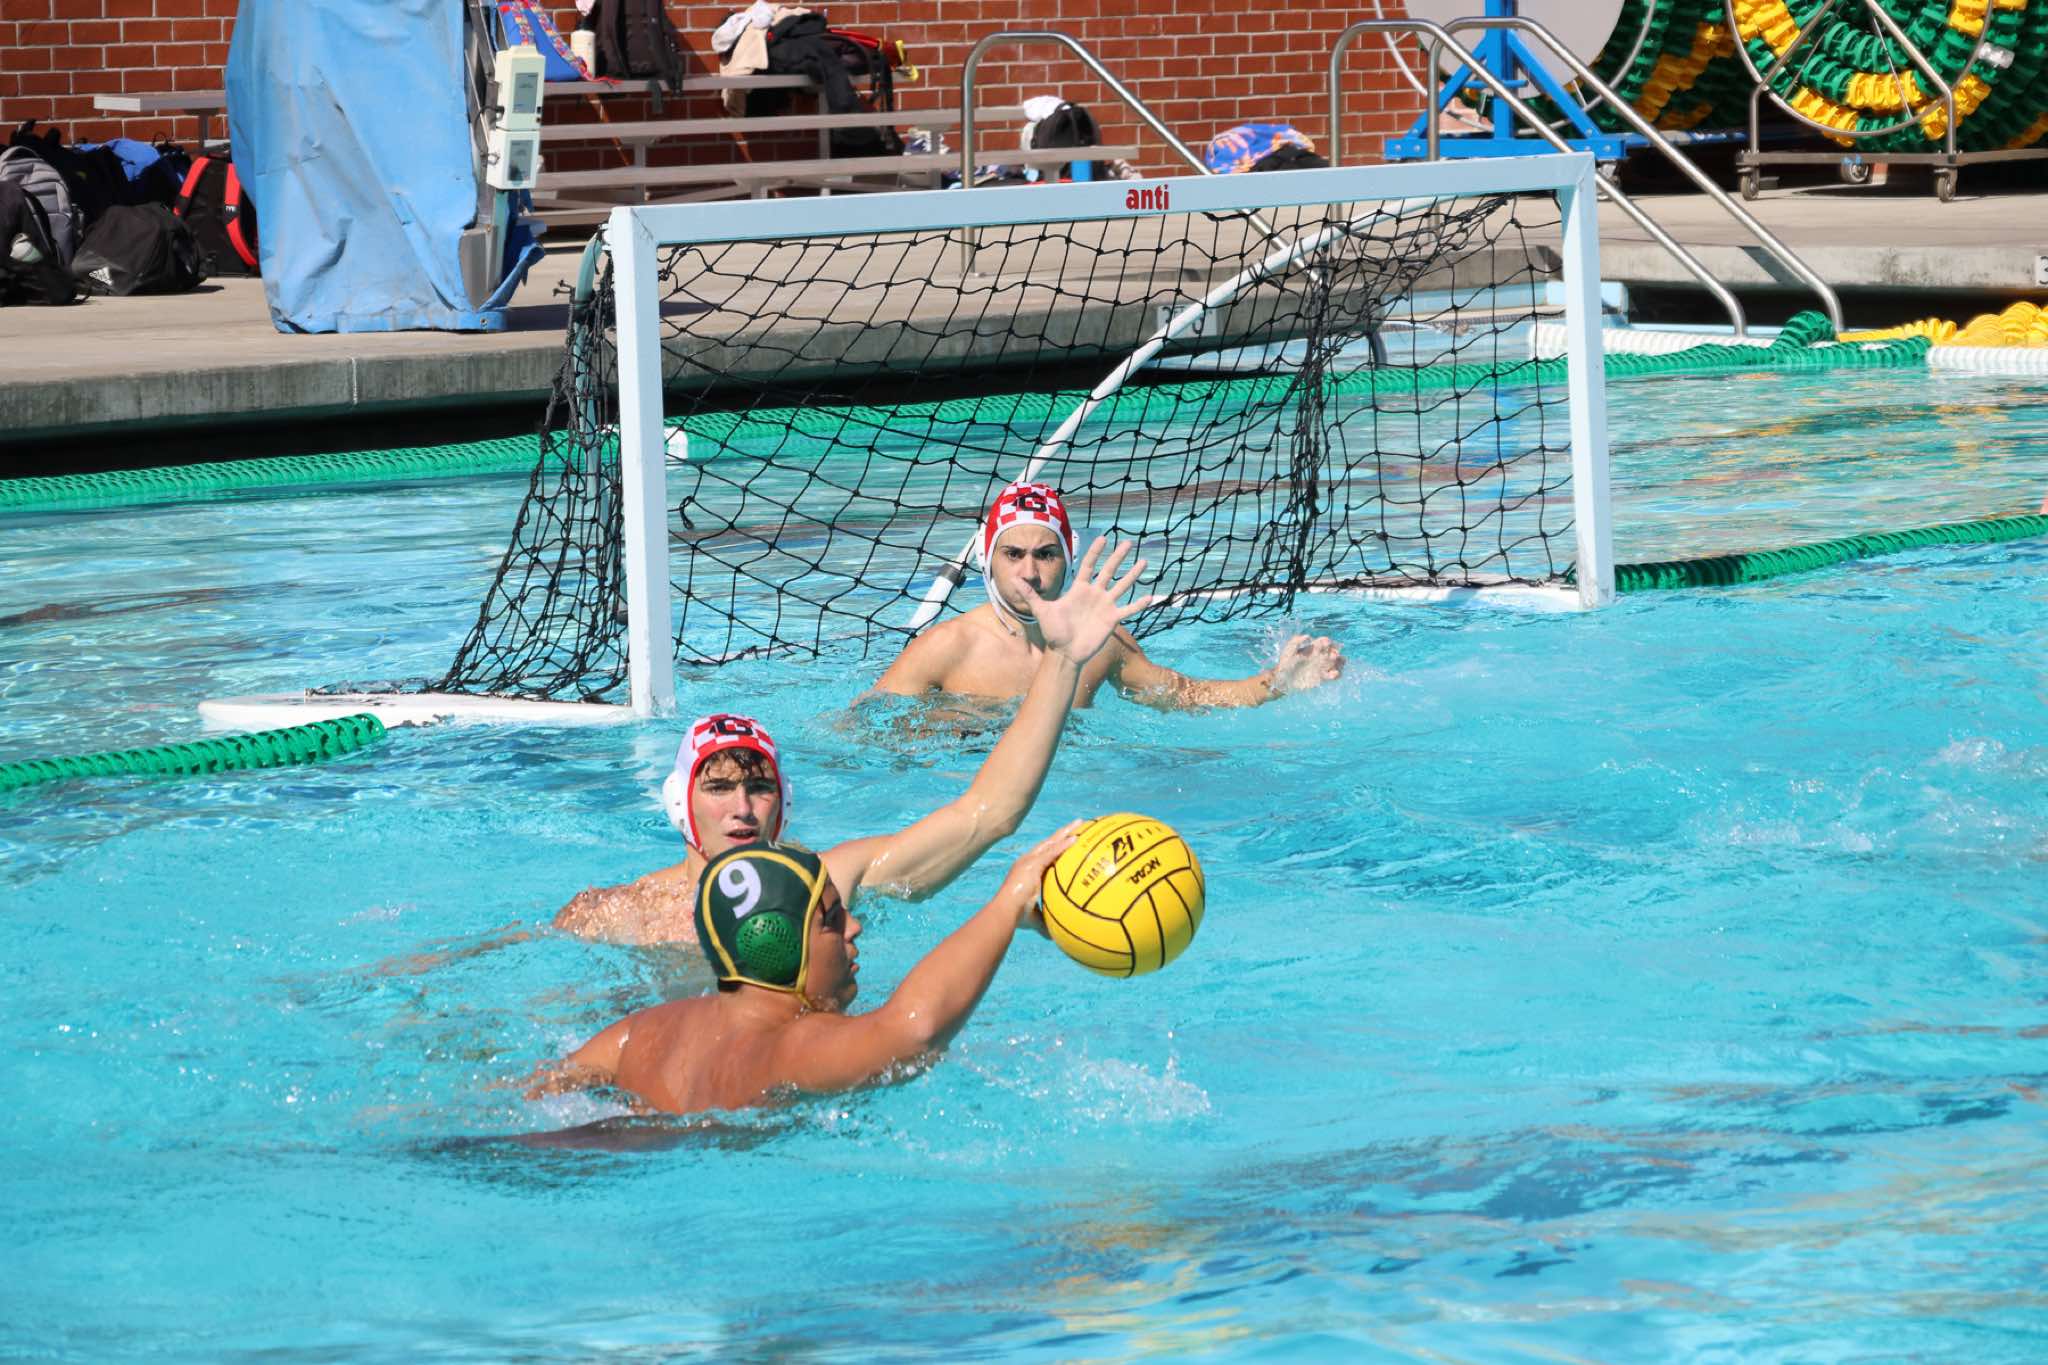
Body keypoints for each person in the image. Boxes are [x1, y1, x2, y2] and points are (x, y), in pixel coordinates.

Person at [552, 536, 1155, 946]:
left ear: (784, 803)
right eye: (719, 787)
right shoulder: (612, 915)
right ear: (679, 803)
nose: (742, 807)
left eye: (759, 787)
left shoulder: (823, 889)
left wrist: (1062, 661)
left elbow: (988, 813)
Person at [527, 828, 1075, 1115]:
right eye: (832, 919)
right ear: (775, 946)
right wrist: (1006, 906)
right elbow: (914, 1031)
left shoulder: (638, 1032)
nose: (855, 927)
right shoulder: (791, 1044)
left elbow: (538, 1091)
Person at [873, 481, 1346, 708]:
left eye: (1045, 555)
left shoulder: (1100, 645)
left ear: (1068, 558)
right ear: (987, 559)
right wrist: (956, 724)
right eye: (1013, 554)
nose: (1029, 573)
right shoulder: (947, 648)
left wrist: (1276, 682)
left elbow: (1186, 696)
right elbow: (857, 737)